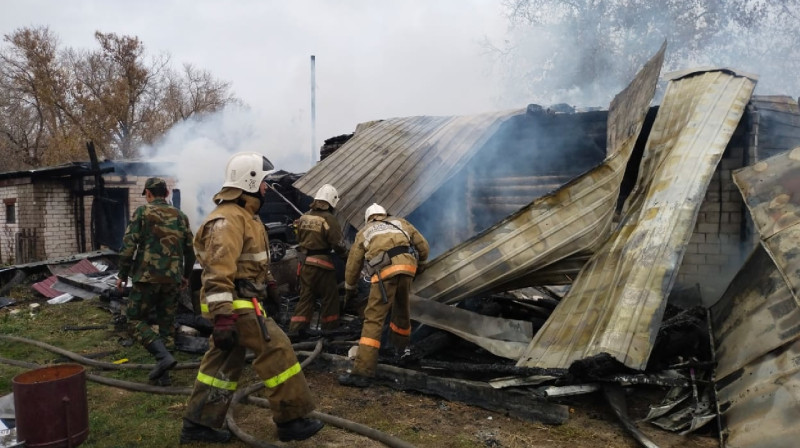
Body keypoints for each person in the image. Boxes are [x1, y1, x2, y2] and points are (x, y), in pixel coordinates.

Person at [180, 152, 324, 444]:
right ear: (249, 181)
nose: (266, 187)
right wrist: (223, 317)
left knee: (222, 365)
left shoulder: (246, 218)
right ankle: (291, 420)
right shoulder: (227, 220)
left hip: (242, 301)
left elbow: (251, 262)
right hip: (236, 305)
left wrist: (269, 285)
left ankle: (199, 423)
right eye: (263, 182)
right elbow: (218, 270)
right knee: (277, 350)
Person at [338, 203, 429, 388]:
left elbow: (353, 265)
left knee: (373, 320)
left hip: (384, 273)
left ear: (368, 218)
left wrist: (350, 289)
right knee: (402, 313)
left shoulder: (365, 231)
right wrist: (421, 266)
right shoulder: (401, 222)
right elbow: (424, 247)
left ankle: (362, 372)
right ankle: (400, 352)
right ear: (384, 214)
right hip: (408, 268)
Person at [116, 177, 195, 387]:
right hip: (172, 279)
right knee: (167, 325)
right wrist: (185, 275)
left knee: (134, 319)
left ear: (148, 194)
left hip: (147, 278)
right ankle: (164, 374)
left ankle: (162, 357)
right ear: (167, 194)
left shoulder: (142, 213)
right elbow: (190, 251)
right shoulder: (180, 216)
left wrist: (122, 275)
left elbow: (128, 248)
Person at [289, 184, 347, 337]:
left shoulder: (304, 217)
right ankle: (329, 329)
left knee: (306, 297)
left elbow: (298, 237)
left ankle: (296, 330)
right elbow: (338, 244)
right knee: (330, 297)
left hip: (305, 263)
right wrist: (347, 258)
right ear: (331, 202)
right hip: (322, 264)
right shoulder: (329, 219)